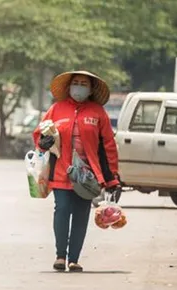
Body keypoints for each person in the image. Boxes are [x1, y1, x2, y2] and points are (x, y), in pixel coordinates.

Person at [32, 70, 120, 272]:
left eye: (83, 84)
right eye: (76, 82)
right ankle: (60, 255)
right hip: (61, 171)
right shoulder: (56, 109)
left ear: (90, 90)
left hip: (88, 176)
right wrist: (42, 141)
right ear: (69, 87)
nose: (79, 86)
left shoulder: (98, 113)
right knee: (61, 210)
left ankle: (74, 259)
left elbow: (109, 145)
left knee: (81, 215)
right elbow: (40, 134)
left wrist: (112, 177)